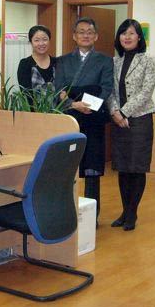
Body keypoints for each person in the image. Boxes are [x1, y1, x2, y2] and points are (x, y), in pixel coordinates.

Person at [54, 17, 113, 221]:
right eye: (81, 31)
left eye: (90, 32)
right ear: (74, 36)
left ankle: (90, 217)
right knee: (67, 168)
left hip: (93, 119)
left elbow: (105, 88)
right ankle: (66, 214)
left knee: (92, 169)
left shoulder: (105, 61)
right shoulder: (63, 61)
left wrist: (87, 103)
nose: (85, 35)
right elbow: (59, 90)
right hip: (70, 119)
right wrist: (74, 104)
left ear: (96, 36)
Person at [107, 19, 155, 231]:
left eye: (131, 33)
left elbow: (146, 92)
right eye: (123, 33)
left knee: (136, 168)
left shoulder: (148, 60)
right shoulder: (114, 61)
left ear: (139, 37)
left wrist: (124, 112)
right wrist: (115, 112)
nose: (127, 37)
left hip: (140, 120)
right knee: (123, 168)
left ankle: (132, 213)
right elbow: (109, 90)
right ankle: (124, 211)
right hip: (118, 121)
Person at [17, 25, 56, 91]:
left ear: (49, 40)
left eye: (45, 39)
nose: (41, 43)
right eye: (36, 40)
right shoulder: (25, 64)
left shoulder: (57, 62)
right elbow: (26, 93)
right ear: (31, 42)